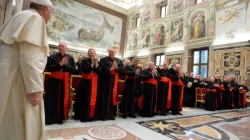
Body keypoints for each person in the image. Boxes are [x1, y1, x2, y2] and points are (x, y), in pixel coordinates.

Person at [0, 0, 53, 140]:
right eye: (51, 13)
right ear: (46, 9)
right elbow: (31, 58)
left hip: (7, 76)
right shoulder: (35, 19)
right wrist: (35, 89)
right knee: (24, 126)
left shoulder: (20, 16)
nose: (51, 17)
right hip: (20, 79)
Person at [45, 41, 75, 124]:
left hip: (64, 82)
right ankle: (49, 119)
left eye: (62, 46)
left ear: (66, 48)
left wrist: (65, 65)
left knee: (62, 99)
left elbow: (73, 70)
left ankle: (59, 118)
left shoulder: (70, 57)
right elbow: (49, 68)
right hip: (53, 82)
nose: (61, 47)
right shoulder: (53, 56)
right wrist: (59, 64)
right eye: (60, 46)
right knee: (51, 100)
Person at [74, 49, 101, 122]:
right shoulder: (84, 61)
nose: (91, 54)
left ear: (95, 54)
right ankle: (84, 116)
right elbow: (84, 71)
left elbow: (100, 72)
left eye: (92, 53)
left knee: (94, 99)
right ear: (88, 54)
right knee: (84, 99)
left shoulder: (98, 62)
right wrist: (91, 66)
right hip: (85, 84)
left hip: (94, 83)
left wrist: (96, 65)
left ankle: (93, 116)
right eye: (90, 53)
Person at [99, 48, 123, 120]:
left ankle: (110, 115)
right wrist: (110, 69)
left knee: (112, 98)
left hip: (114, 82)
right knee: (104, 98)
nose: (111, 53)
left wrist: (116, 68)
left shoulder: (119, 60)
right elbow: (101, 70)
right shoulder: (103, 59)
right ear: (108, 52)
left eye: (113, 52)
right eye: (110, 52)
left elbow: (122, 70)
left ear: (115, 53)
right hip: (106, 82)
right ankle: (103, 115)